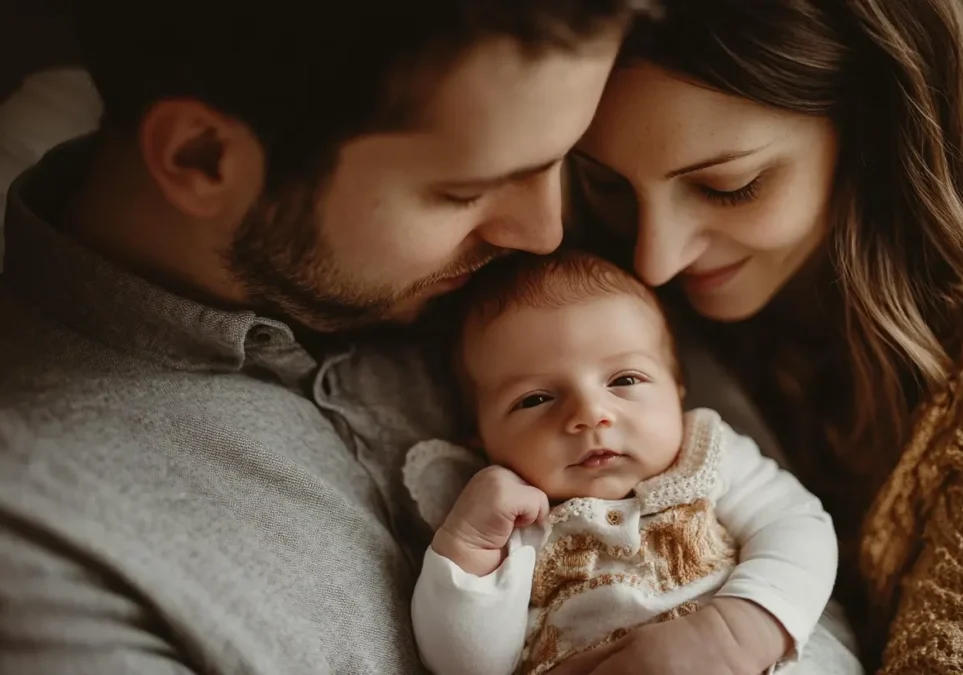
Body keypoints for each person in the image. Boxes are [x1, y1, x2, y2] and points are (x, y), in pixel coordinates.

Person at [0, 2, 659, 673]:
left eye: (563, 160)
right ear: (202, 158)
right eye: (465, 192)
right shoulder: (41, 543)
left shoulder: (570, 261)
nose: (544, 233)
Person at [570, 0, 963, 673]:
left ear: (871, 127)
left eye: (730, 186)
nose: (653, 258)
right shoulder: (613, 306)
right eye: (609, 184)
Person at [402, 250, 864, 675]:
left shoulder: (705, 453)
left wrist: (739, 630)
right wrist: (470, 544)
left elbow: (798, 527)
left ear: (677, 388)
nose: (588, 414)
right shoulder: (508, 524)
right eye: (536, 399)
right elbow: (467, 665)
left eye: (624, 379)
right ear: (481, 437)